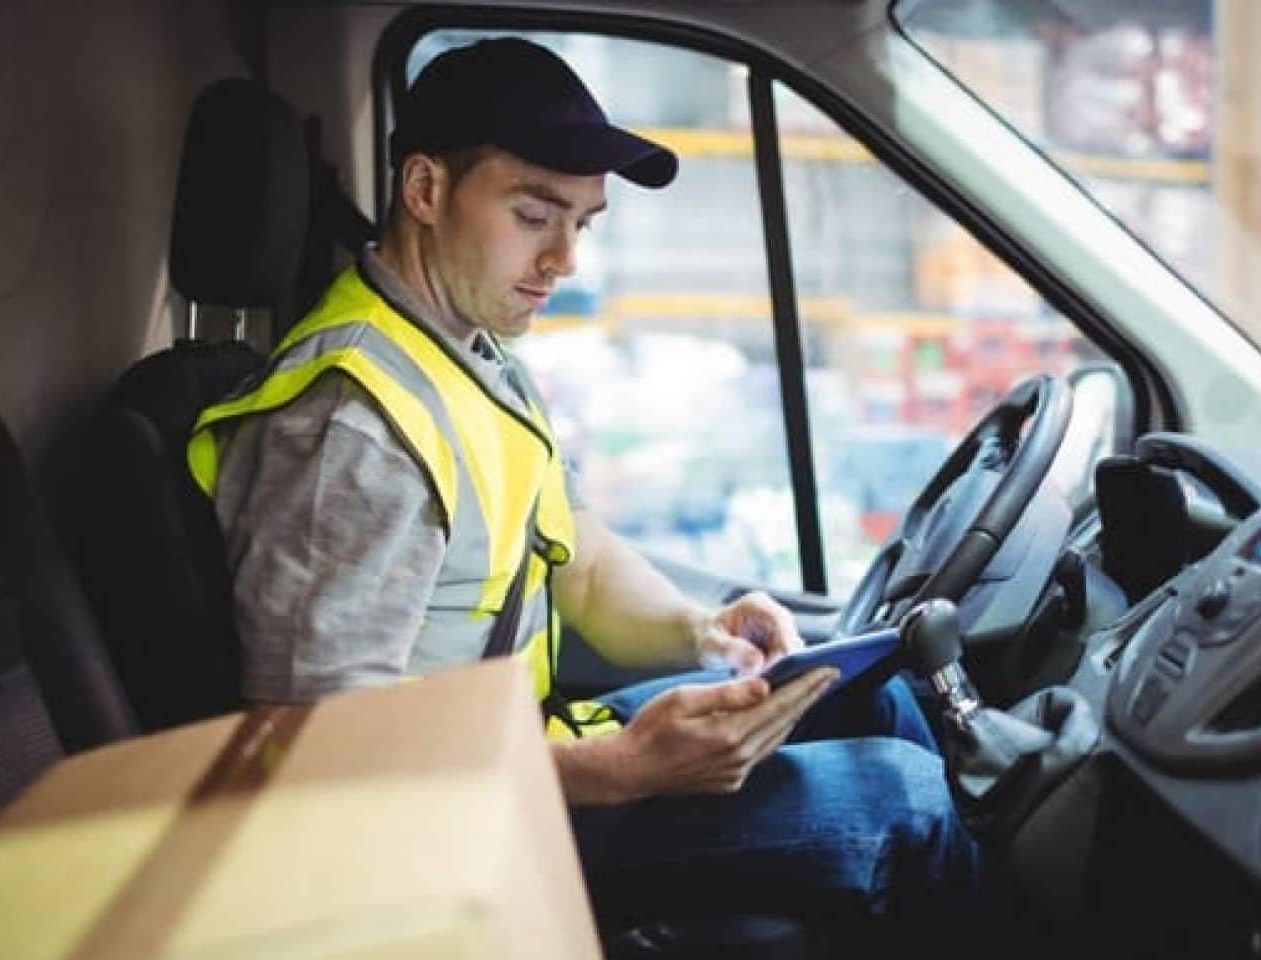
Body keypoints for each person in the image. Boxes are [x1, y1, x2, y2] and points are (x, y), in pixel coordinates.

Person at [188, 37, 978, 945]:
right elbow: (321, 757)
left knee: (874, 697)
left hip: (523, 754)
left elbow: (583, 564)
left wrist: (703, 631)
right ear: (425, 191)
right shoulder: (351, 429)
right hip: (436, 845)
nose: (565, 259)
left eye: (583, 224)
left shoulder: (468, 357)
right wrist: (621, 769)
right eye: (534, 215)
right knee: (905, 803)